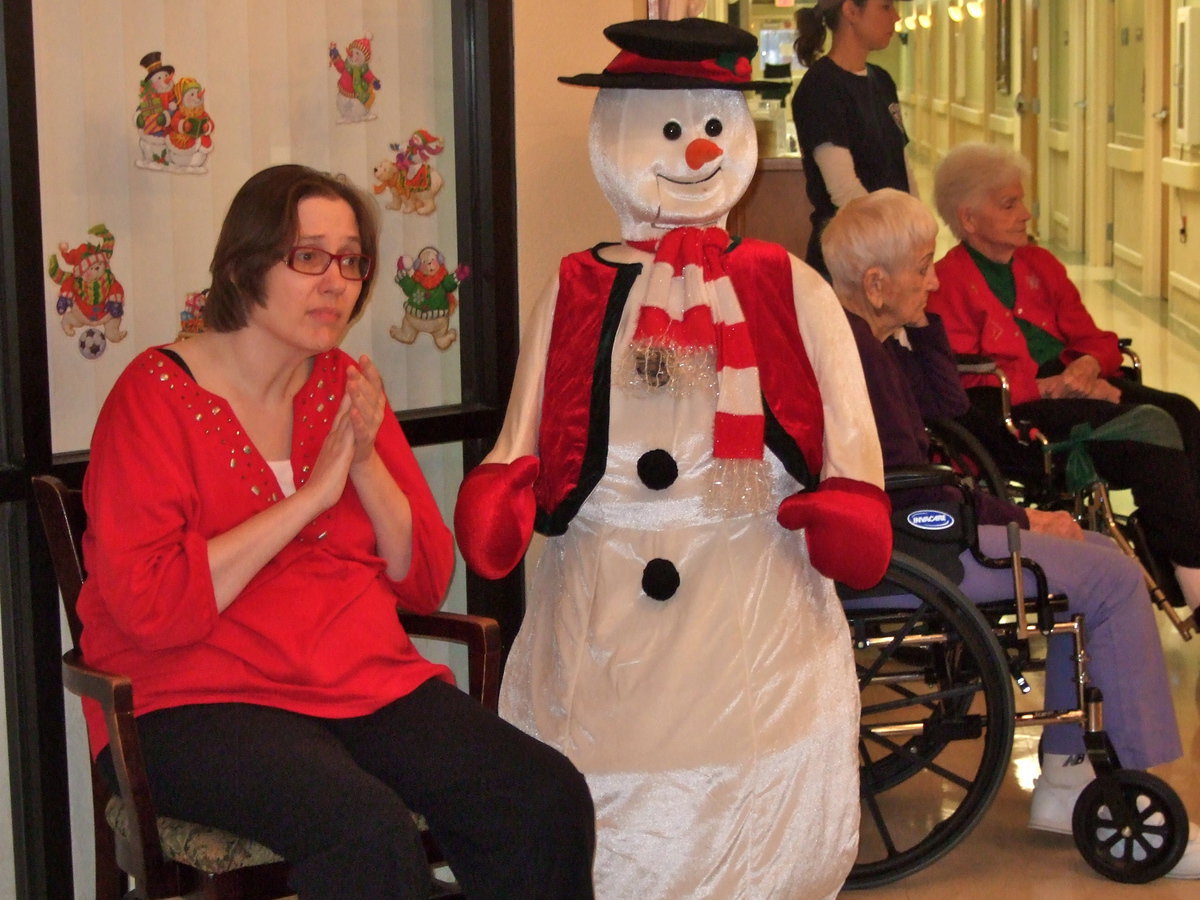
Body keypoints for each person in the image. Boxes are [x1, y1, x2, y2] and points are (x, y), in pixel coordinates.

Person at [455, 18, 889, 899]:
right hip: (603, 592)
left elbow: (848, 415)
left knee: (751, 796)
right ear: (612, 137)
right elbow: (528, 419)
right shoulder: (577, 281)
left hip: (747, 585)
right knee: (595, 798)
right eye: (665, 131)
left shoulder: (781, 279)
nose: (693, 148)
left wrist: (854, 497)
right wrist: (502, 482)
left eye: (711, 127)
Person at [76, 164, 596, 899]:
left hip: (357, 683)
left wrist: (365, 466)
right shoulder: (154, 397)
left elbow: (421, 578)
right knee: (361, 829)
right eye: (309, 256)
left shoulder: (342, 385)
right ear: (243, 264)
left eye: (352, 261)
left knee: (542, 794)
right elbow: (149, 605)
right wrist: (310, 498)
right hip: (190, 700)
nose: (337, 282)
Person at [823, 188, 1199, 878]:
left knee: (1091, 554)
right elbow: (918, 489)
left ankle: (1066, 778)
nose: (936, 279)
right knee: (1113, 577)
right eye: (922, 269)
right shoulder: (859, 360)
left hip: (908, 535)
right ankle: (1115, 784)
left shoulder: (864, 341)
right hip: (913, 548)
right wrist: (1021, 518)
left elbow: (945, 407)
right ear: (874, 284)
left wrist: (920, 321)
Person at [927, 141, 1200, 619]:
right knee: (1151, 428)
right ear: (968, 219)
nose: (1025, 214)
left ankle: (1178, 551)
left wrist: (1090, 367)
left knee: (1184, 412)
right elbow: (964, 377)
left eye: (1021, 201)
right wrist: (1051, 387)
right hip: (1015, 410)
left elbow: (1094, 336)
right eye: (1009, 204)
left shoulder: (1040, 265)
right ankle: (1192, 576)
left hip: (1071, 382)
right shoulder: (947, 281)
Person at [791, 0, 915, 279]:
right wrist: (895, 238)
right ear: (851, 11)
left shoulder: (882, 80)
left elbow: (902, 165)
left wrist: (917, 231)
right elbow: (845, 191)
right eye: (885, 7)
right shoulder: (821, 87)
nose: (896, 17)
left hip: (891, 250)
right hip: (850, 258)